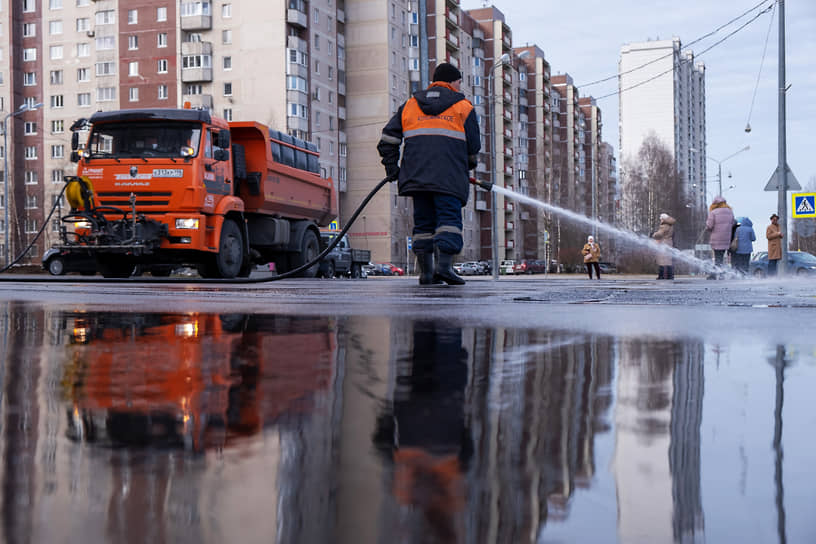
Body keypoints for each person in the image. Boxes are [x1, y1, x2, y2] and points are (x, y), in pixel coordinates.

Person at [377, 62, 481, 286]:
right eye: (459, 81)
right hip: (449, 178)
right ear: (453, 82)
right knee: (449, 221)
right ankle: (444, 268)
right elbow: (473, 147)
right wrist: (467, 165)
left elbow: (387, 140)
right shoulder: (463, 106)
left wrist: (392, 167)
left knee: (423, 224)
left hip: (417, 177)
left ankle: (426, 273)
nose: (459, 85)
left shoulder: (411, 105)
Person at [705, 195, 735, 279]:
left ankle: (715, 274)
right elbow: (733, 223)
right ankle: (721, 274)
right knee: (721, 257)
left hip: (716, 238)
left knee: (717, 257)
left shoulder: (713, 212)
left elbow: (709, 226)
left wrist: (707, 226)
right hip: (726, 238)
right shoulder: (730, 212)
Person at [652, 213, 676, 280]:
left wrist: (654, 234)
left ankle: (661, 276)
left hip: (663, 244)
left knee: (662, 261)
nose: (660, 220)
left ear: (663, 219)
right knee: (668, 261)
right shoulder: (670, 225)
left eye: (661, 219)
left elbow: (659, 234)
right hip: (669, 243)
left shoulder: (664, 226)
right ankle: (670, 276)